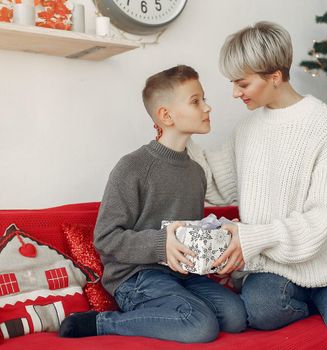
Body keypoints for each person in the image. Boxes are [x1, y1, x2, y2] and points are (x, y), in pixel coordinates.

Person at [188, 22, 327, 350]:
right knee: (261, 310)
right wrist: (180, 137)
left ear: (275, 76)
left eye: (242, 83)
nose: (235, 93)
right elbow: (215, 185)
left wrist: (250, 236)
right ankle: (312, 306)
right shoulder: (248, 128)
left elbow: (322, 223)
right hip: (276, 267)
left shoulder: (325, 125)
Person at [59, 65, 247, 342]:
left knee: (236, 317)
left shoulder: (196, 172)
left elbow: (188, 233)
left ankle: (179, 309)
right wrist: (161, 244)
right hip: (136, 277)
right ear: (166, 115)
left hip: (183, 275)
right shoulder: (132, 167)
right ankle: (102, 323)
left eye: (204, 99)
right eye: (196, 101)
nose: (207, 108)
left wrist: (214, 246)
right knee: (200, 326)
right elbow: (106, 239)